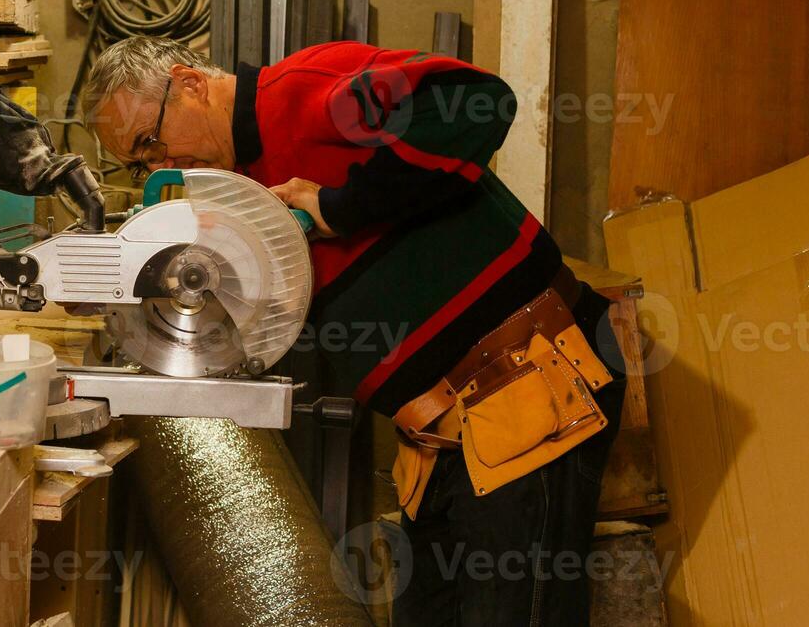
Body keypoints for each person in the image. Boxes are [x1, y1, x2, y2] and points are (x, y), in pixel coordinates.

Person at [81, 35, 625, 626]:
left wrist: (338, 207)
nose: (160, 165)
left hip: (524, 383)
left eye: (150, 141)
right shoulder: (237, 182)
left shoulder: (301, 92)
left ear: (188, 83)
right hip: (443, 435)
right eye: (140, 164)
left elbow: (476, 100)